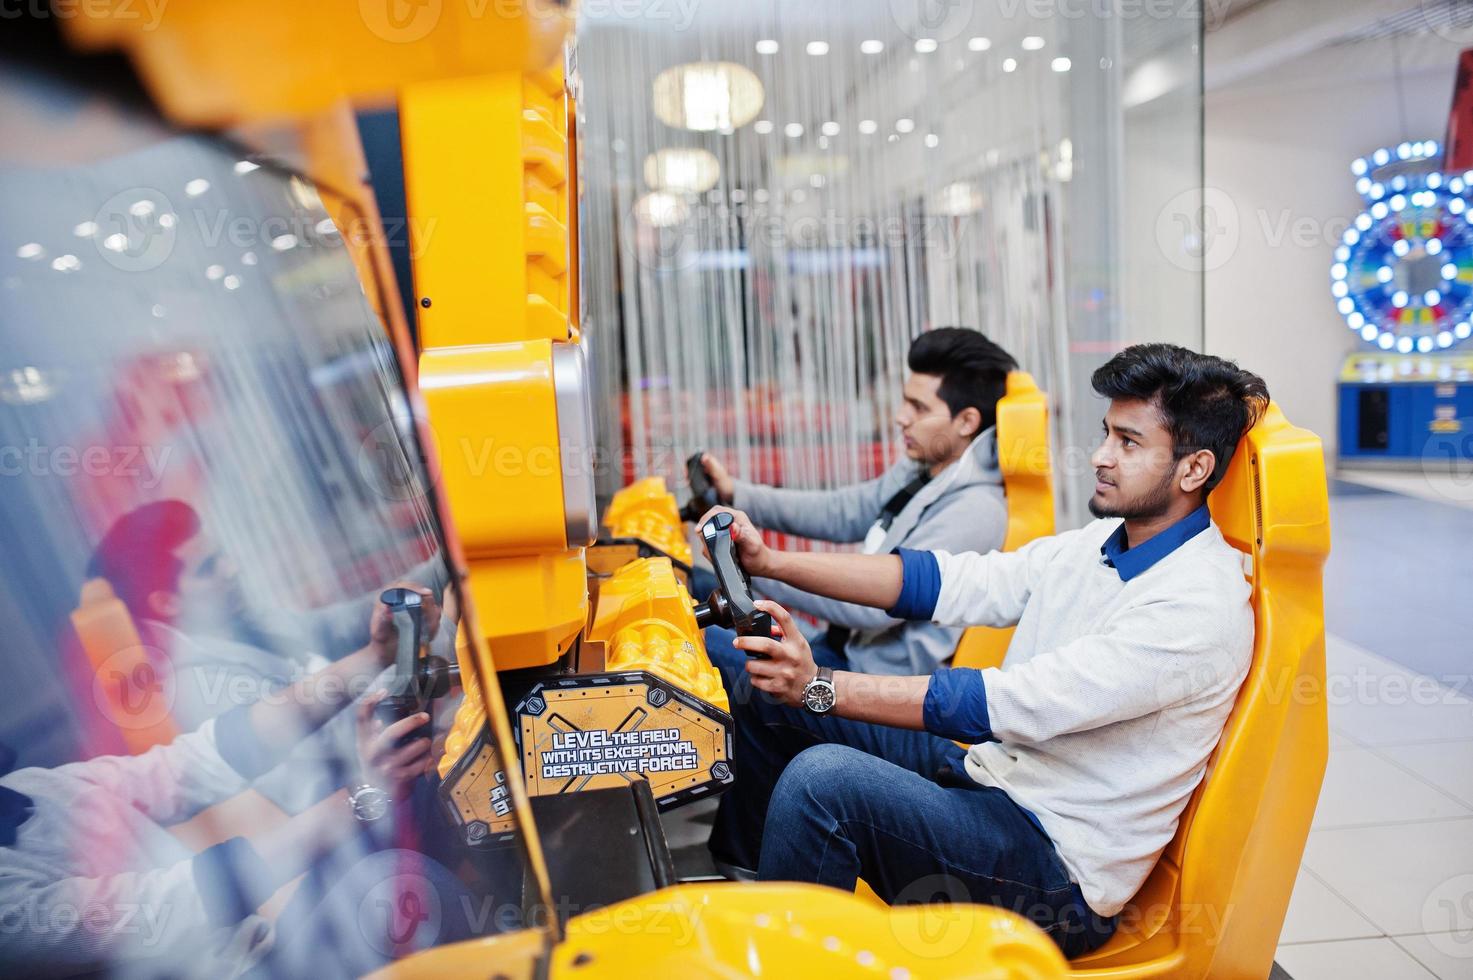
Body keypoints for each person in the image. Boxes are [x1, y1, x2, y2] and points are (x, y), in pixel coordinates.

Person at [703, 344, 1269, 959]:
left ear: (1193, 470)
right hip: (995, 780)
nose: (1100, 457)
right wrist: (772, 562)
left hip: (1055, 873)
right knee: (767, 697)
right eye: (1105, 434)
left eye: (1128, 443)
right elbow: (943, 582)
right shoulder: (1101, 544)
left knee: (824, 784)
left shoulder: (1196, 607)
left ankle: (791, 965)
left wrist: (820, 685)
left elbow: (1007, 703)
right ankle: (755, 902)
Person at [0, 586, 493, 978]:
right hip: (246, 966)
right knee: (390, 894)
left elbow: (203, 759)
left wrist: (375, 656)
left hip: (259, 943)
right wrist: (366, 793)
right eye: (208, 566)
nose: (230, 570)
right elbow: (194, 898)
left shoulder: (34, 789)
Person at [83, 500, 450, 811]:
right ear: (167, 603)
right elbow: (340, 791)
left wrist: (438, 568)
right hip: (403, 813)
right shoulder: (203, 693)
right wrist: (436, 629)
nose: (232, 569)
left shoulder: (242, 620)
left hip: (424, 749)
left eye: (221, 555)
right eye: (209, 569)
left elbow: (344, 626)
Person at [695, 327, 1018, 677]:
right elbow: (844, 512)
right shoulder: (927, 468)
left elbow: (872, 608)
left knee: (701, 647)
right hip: (842, 648)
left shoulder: (974, 510)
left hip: (872, 681)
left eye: (918, 407)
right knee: (695, 590)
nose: (901, 417)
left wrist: (758, 570)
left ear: (966, 421)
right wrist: (736, 494)